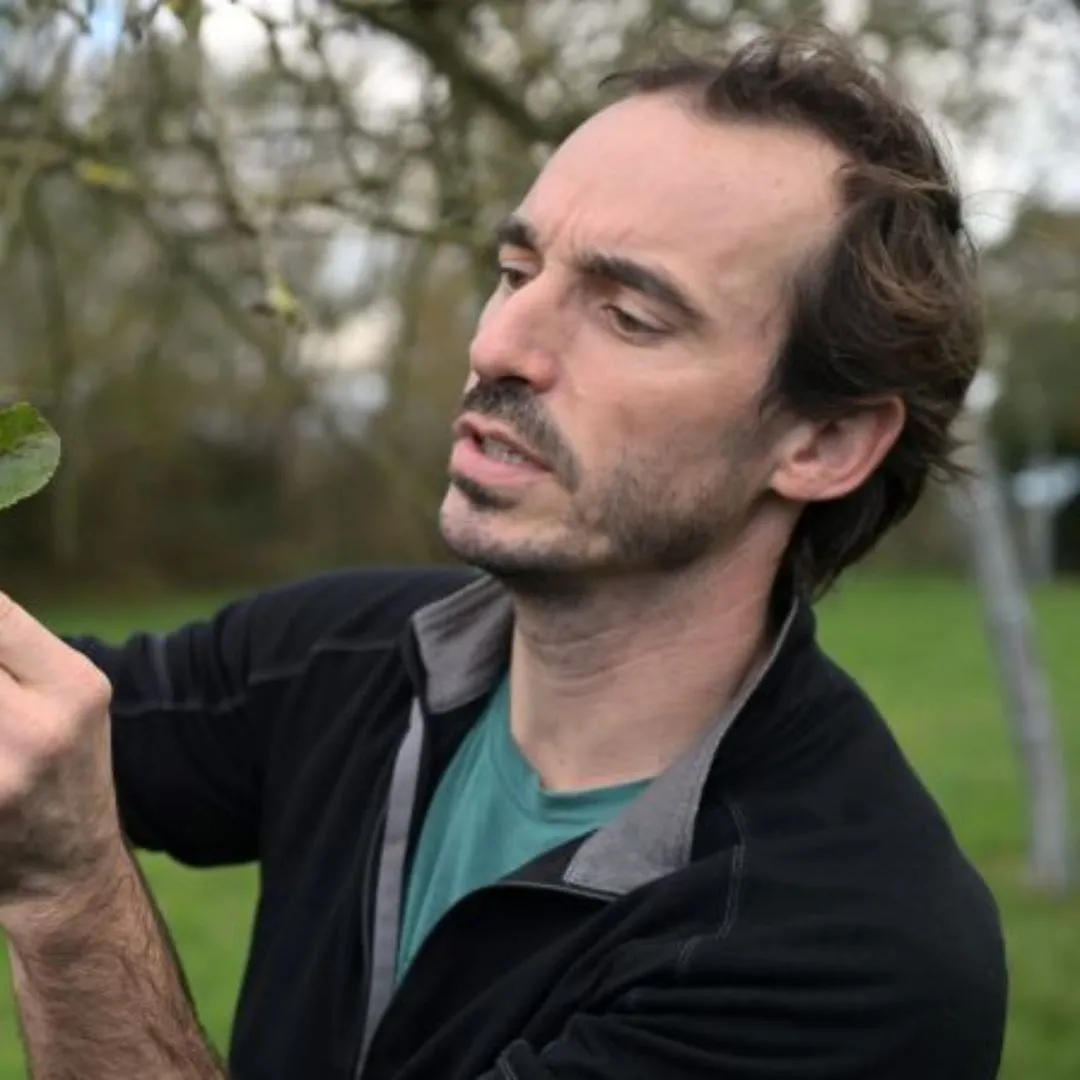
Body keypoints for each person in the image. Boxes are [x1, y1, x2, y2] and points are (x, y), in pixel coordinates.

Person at [0, 25, 1007, 1080]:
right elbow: (49, 723)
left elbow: (48, 822)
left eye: (628, 314)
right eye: (516, 268)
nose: (500, 347)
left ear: (825, 441)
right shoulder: (347, 656)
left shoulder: (850, 955)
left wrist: (69, 903)